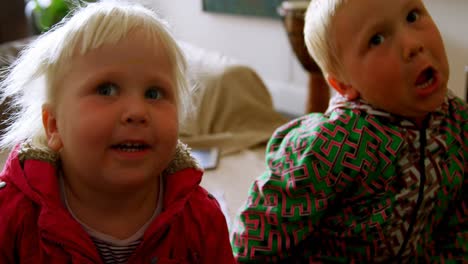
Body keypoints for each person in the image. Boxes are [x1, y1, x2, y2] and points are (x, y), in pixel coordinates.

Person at [231, 0, 467, 262]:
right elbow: (258, 241)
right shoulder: (330, 145)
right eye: (376, 39)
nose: (412, 44)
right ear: (343, 84)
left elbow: (458, 222)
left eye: (412, 16)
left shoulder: (456, 121)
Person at [0, 1, 235, 263]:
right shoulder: (12, 216)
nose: (137, 111)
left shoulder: (201, 218)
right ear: (53, 125)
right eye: (106, 90)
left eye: (154, 93)